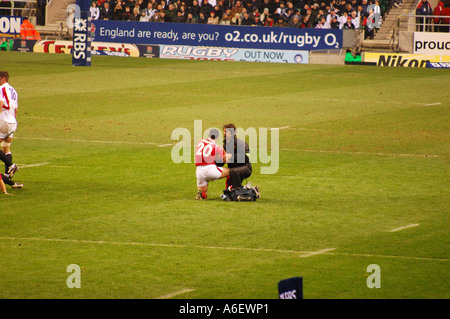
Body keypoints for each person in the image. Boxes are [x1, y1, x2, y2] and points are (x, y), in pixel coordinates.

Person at [195, 129, 230, 200]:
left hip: (199, 171)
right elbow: (225, 159)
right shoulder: (216, 146)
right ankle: (229, 191)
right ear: (217, 138)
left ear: (208, 135)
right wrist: (223, 150)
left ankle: (201, 194)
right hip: (210, 169)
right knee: (232, 172)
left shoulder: (200, 141)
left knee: (204, 193)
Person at [0, 71, 19, 178]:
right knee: (6, 149)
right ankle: (8, 175)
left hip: (3, 120)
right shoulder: (13, 90)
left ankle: (11, 165)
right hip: (12, 122)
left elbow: (1, 103)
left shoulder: (1, 89)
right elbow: (16, 109)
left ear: (2, 78)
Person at [222, 123, 252, 190]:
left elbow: (243, 157)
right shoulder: (225, 145)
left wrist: (231, 156)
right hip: (233, 170)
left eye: (226, 132)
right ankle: (239, 192)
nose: (224, 133)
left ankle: (238, 191)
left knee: (233, 172)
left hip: (245, 168)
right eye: (224, 131)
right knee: (229, 188)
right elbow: (224, 161)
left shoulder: (240, 143)